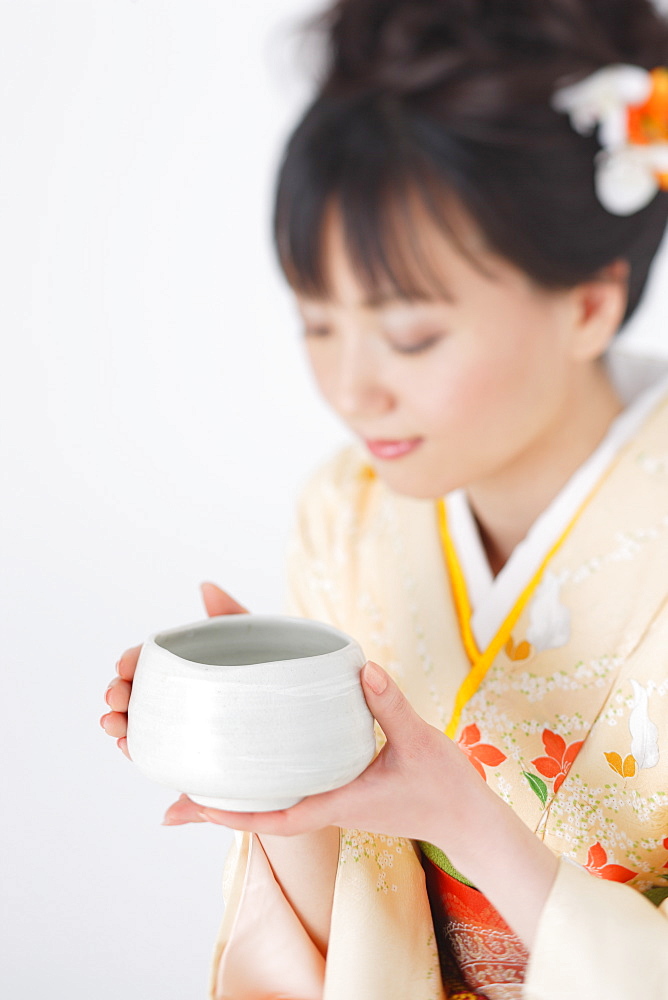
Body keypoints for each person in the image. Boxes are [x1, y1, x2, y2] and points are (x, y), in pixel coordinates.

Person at [100, 1, 668, 996]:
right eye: (318, 323)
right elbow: (355, 939)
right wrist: (277, 785)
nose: (352, 390)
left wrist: (464, 819)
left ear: (587, 303)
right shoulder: (347, 519)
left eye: (408, 336)